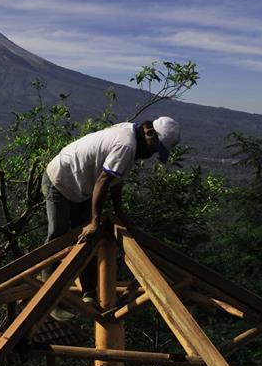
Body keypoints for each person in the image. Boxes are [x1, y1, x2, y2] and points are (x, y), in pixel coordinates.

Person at [42, 117, 181, 306]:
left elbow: (116, 178)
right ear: (149, 133)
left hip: (81, 186)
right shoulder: (127, 146)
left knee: (86, 240)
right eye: (155, 146)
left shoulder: (131, 133)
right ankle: (49, 294)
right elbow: (103, 181)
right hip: (61, 179)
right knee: (59, 236)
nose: (153, 152)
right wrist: (94, 221)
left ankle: (88, 293)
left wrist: (118, 210)